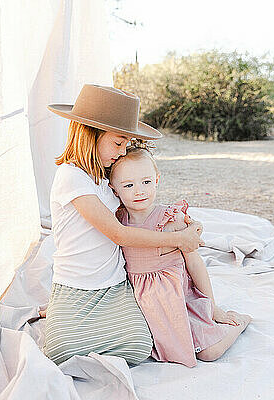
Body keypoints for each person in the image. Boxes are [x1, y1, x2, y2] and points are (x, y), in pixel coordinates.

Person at [41, 84, 205, 366]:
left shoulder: (107, 177)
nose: (122, 151)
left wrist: (180, 225)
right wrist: (178, 241)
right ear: (90, 135)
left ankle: (75, 318)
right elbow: (119, 233)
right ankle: (59, 307)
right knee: (58, 351)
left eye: (126, 144)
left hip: (114, 282)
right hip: (75, 282)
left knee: (139, 346)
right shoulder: (71, 177)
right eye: (118, 143)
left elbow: (139, 208)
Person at [108, 142, 252, 367]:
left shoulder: (171, 219)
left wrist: (212, 307)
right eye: (128, 185)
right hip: (140, 302)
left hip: (178, 301)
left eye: (146, 182)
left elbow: (195, 265)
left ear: (157, 180)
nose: (139, 191)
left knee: (209, 352)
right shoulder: (117, 221)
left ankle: (239, 324)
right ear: (114, 189)